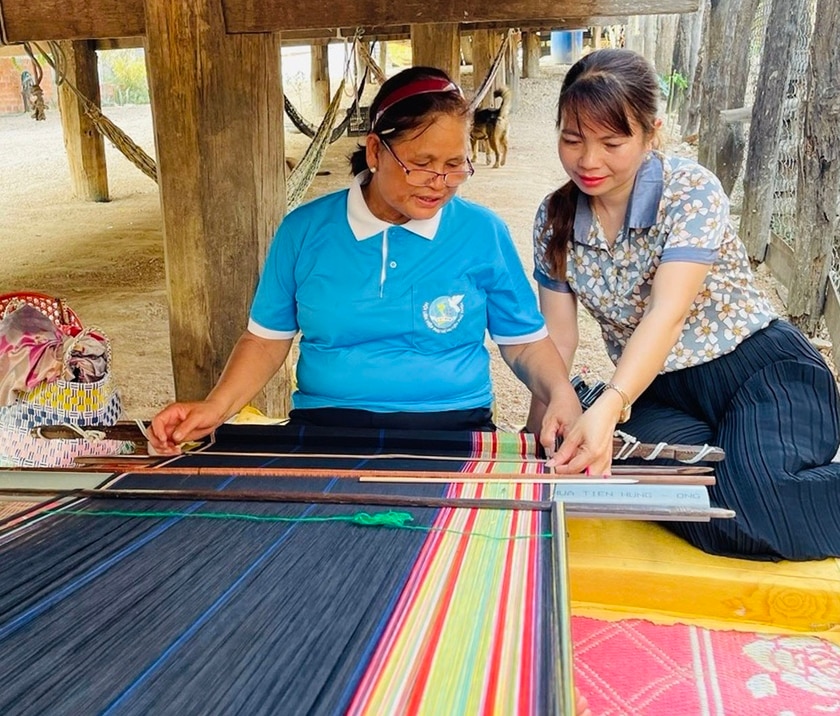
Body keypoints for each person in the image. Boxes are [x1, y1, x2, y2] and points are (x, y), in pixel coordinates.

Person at [150, 66, 581, 456]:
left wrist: (560, 392)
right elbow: (265, 340)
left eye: (455, 165)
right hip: (327, 427)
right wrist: (217, 406)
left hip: (452, 429)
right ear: (375, 152)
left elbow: (523, 341)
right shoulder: (304, 231)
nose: (440, 183)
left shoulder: (481, 232)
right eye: (421, 164)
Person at [528, 48, 840, 562]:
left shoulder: (691, 190)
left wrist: (607, 404)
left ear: (652, 133)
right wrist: (540, 430)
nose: (589, 160)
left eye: (612, 142)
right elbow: (559, 337)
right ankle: (749, 481)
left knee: (751, 501)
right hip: (659, 393)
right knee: (646, 482)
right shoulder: (553, 218)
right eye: (571, 139)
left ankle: (761, 482)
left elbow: (665, 314)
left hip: (760, 374)